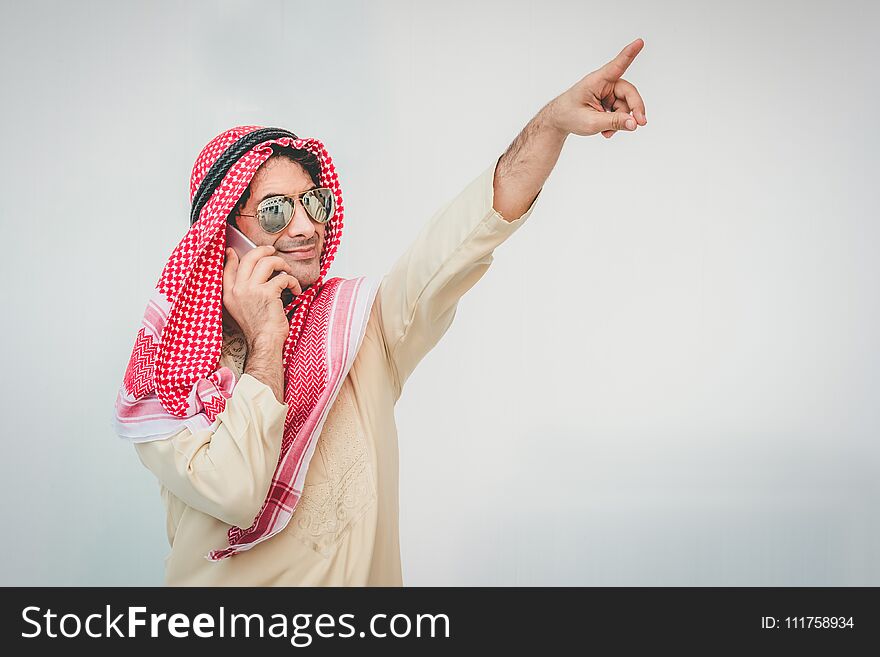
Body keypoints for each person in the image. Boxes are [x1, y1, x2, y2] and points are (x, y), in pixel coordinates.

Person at [114, 39, 648, 586]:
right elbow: (236, 490)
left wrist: (552, 123)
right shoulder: (164, 380)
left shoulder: (358, 328)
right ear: (222, 236)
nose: (303, 227)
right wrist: (266, 340)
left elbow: (460, 243)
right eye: (275, 211)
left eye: (313, 202)